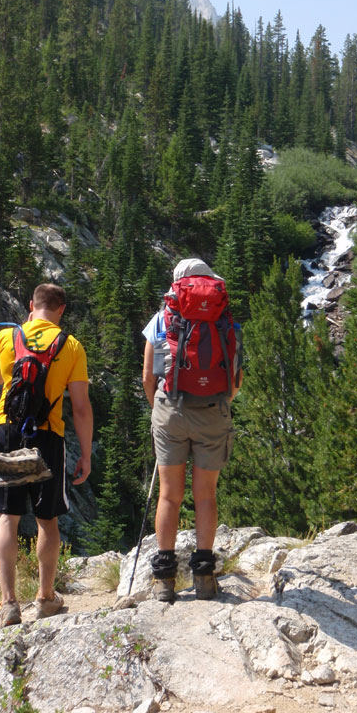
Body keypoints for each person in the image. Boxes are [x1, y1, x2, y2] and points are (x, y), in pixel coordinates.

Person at [0, 283, 93, 627]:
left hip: (7, 430)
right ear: (61, 310)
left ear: (32, 305)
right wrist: (85, 454)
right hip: (47, 436)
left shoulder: (8, 337)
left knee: (7, 517)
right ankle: (45, 598)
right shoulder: (71, 346)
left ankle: (8, 603)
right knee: (47, 520)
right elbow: (81, 407)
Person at [142, 258, 242, 603]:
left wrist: (160, 410)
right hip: (213, 411)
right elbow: (235, 379)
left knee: (169, 495)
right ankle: (203, 578)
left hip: (171, 409)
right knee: (206, 495)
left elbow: (148, 377)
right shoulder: (225, 318)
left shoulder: (163, 317)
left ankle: (165, 581)